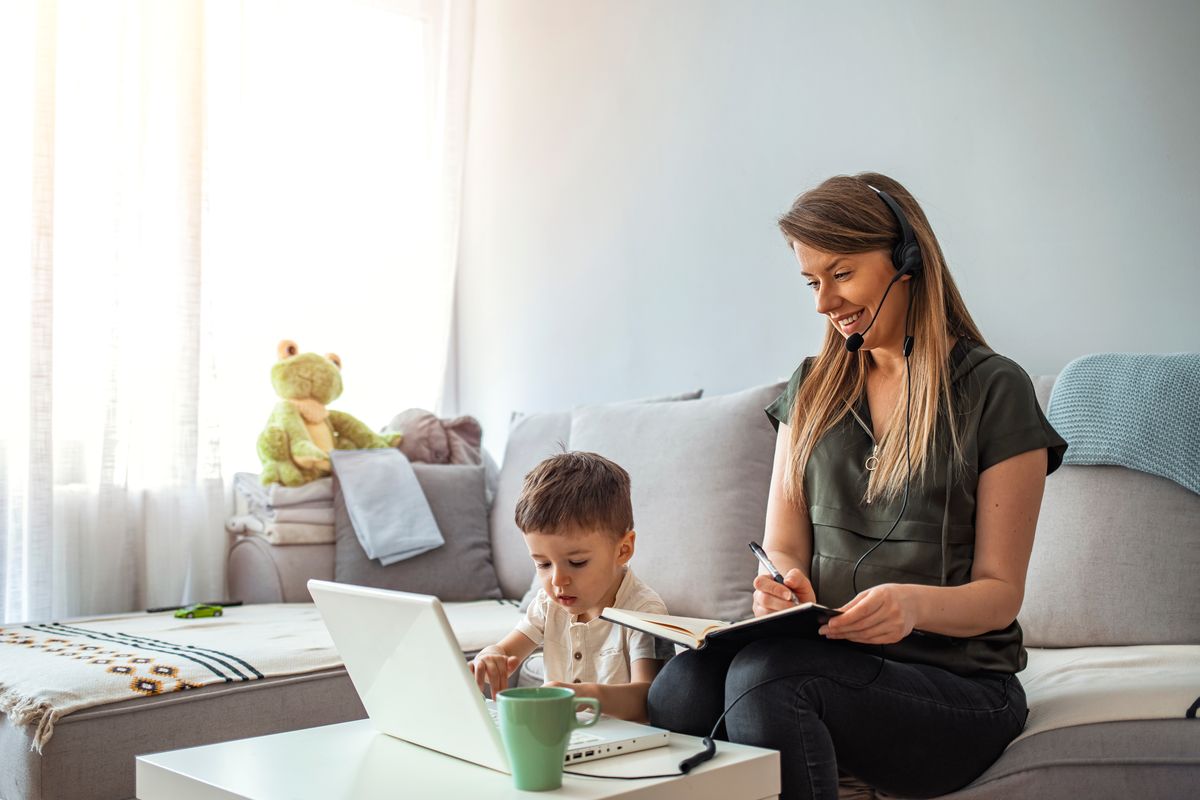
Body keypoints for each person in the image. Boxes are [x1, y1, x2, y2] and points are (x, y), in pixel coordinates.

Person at [646, 173, 1067, 799]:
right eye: (812, 282)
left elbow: (1000, 595)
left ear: (906, 260)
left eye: (840, 275)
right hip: (832, 662)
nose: (823, 302)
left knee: (767, 680)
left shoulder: (994, 390)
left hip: (959, 687)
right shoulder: (813, 388)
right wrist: (782, 588)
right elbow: (782, 547)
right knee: (680, 686)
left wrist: (914, 606)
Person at [470, 451, 673, 722]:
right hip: (566, 736)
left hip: (624, 743)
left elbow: (648, 700)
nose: (557, 581)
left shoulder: (644, 611)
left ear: (623, 550)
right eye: (543, 564)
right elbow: (504, 653)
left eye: (576, 562)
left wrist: (578, 696)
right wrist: (491, 655)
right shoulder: (548, 604)